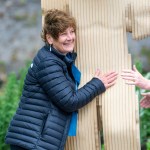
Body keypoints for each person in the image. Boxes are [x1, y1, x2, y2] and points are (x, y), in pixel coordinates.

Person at [5, 9, 118, 150]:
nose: (70, 37)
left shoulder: (56, 58)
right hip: (33, 142)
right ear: (50, 38)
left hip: (35, 140)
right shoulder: (48, 63)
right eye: (63, 34)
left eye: (71, 31)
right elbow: (69, 101)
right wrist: (97, 84)